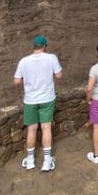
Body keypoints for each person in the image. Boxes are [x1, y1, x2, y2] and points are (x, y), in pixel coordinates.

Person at [14, 35, 62, 172]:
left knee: (31, 129)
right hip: (47, 98)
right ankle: (47, 161)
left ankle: (30, 160)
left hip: (30, 100)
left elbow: (16, 81)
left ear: (33, 46)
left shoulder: (24, 61)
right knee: (46, 128)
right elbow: (58, 75)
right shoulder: (51, 58)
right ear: (45, 46)